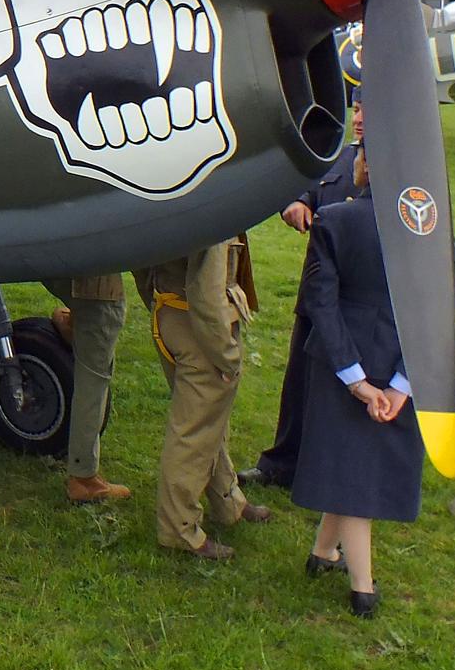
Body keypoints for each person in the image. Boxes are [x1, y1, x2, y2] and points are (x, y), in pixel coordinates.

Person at [290, 149, 421, 619]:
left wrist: (355, 380)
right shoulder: (427, 228)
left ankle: (362, 586)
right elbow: (433, 311)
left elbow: (321, 304)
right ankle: (324, 552)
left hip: (340, 359)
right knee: (352, 462)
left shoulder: (334, 220)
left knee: (353, 474)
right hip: (399, 356)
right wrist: (404, 384)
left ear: (363, 168)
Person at [244, 92, 366, 489]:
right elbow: (303, 190)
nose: (361, 119)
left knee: (351, 389)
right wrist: (296, 203)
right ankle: (282, 464)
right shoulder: (338, 157)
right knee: (299, 385)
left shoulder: (401, 167)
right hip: (317, 298)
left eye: (371, 110)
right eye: (358, 108)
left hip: (361, 306)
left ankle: (342, 475)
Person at [135, 234, 269, 559]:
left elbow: (138, 258)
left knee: (206, 422)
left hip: (171, 314)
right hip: (202, 331)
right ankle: (180, 529)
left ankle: (228, 501)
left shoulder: (169, 196)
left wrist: (159, 305)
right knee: (193, 434)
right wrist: (226, 355)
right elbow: (206, 292)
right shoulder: (213, 200)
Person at [44, 275, 130, 503]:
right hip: (94, 283)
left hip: (62, 265)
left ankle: (76, 321)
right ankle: (84, 479)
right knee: (102, 315)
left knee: (96, 308)